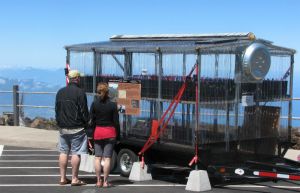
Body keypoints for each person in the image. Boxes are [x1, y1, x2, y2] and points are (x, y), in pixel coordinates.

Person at [55, 69, 89, 186]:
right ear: (77, 79)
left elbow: (57, 110)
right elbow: (84, 111)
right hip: (77, 127)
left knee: (63, 152)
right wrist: (86, 123)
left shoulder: (60, 92)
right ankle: (75, 178)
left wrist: (59, 122)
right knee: (76, 153)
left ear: (69, 79)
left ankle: (63, 178)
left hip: (63, 127)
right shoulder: (80, 92)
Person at [89, 82, 120, 188]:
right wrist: (118, 135)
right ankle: (106, 182)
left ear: (98, 92)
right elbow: (116, 122)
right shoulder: (112, 105)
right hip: (110, 132)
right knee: (107, 158)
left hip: (98, 132)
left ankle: (98, 180)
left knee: (97, 157)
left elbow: (92, 120)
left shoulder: (94, 104)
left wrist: (92, 132)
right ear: (108, 92)